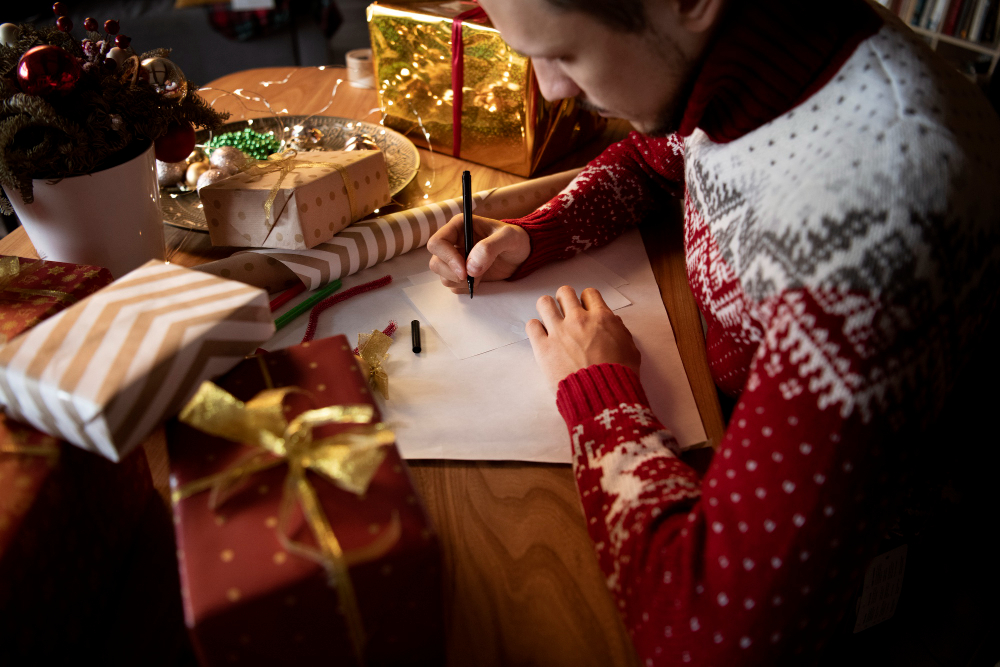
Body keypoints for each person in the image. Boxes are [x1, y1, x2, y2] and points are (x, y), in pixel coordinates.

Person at [427, 0, 1000, 664]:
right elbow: (655, 158)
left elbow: (706, 640)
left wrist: (600, 394)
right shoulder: (764, 51)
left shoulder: (879, 218)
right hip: (732, 419)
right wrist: (534, 235)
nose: (551, 89)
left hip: (881, 594)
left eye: (561, 55)